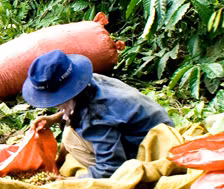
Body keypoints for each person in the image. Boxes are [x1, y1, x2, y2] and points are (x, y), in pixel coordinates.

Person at [24, 49, 175, 179]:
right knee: (71, 128)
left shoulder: (95, 116)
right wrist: (53, 119)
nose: (54, 105)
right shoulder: (89, 82)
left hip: (152, 149)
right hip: (154, 124)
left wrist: (68, 183)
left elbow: (110, 169)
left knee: (70, 138)